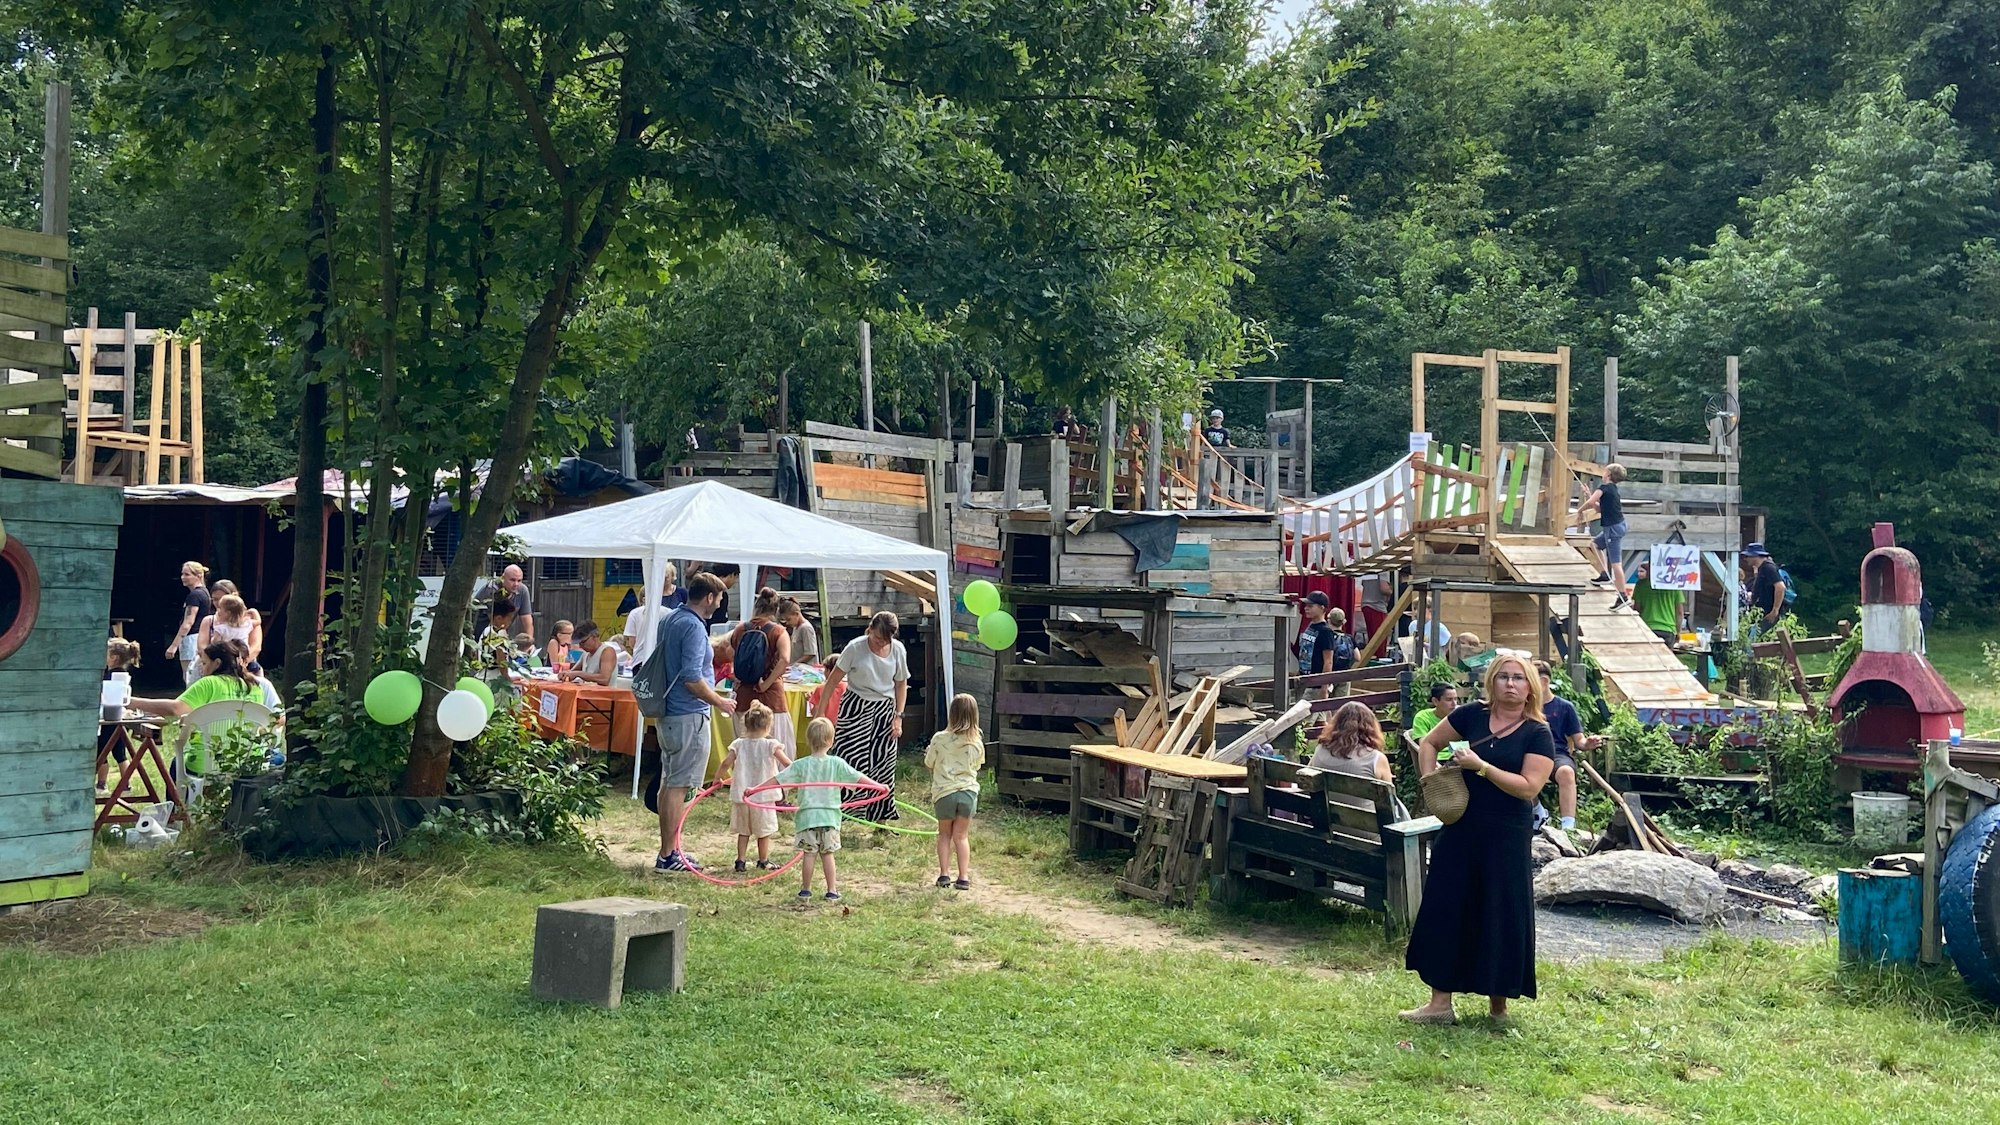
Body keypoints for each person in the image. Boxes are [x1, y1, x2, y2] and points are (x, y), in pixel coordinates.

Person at [1404, 652, 1555, 1024]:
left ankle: (1498, 1007)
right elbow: (1427, 743)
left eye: (1518, 678)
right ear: (1491, 681)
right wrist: (1431, 782)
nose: (1510, 684)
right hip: (1461, 825)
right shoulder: (1471, 715)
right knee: (1448, 904)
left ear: (1530, 687)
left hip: (1505, 833)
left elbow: (1528, 788)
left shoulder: (1537, 733)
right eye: (1503, 676)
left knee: (1500, 909)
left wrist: (1482, 768)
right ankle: (1439, 1003)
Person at [654, 572, 736, 873]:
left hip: (670, 712)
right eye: (719, 597)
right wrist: (720, 701)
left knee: (669, 782)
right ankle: (668, 855)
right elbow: (691, 677)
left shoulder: (672, 618)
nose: (719, 603)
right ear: (710, 597)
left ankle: (671, 849)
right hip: (687, 712)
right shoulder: (691, 626)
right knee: (679, 785)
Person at [817, 611, 910, 824]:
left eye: (884, 640)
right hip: (856, 706)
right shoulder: (855, 647)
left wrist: (898, 717)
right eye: (876, 637)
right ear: (870, 629)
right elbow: (832, 681)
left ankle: (881, 820)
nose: (878, 643)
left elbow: (901, 683)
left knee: (884, 764)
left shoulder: (898, 650)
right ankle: (843, 814)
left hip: (884, 709)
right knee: (849, 761)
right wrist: (821, 713)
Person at [128, 639, 267, 778]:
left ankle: (177, 800)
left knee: (177, 763)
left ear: (217, 663)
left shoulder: (208, 683)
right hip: (247, 761)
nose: (201, 667)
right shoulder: (255, 687)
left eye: (205, 663)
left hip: (206, 762)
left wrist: (132, 702)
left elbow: (175, 709)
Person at [774, 716, 866, 902]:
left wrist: (755, 789)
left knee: (809, 855)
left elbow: (778, 780)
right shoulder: (836, 763)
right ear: (831, 741)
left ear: (808, 740)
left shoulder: (800, 765)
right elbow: (857, 778)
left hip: (807, 819)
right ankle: (832, 891)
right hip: (829, 818)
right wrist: (880, 786)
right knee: (827, 855)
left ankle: (805, 890)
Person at [719, 700, 793, 873]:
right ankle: (763, 860)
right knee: (763, 831)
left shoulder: (738, 744)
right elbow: (788, 764)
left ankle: (740, 861)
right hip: (763, 798)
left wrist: (718, 780)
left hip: (742, 796)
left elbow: (725, 763)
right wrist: (799, 774)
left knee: (743, 831)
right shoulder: (770, 745)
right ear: (768, 726)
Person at [925, 693, 986, 890]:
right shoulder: (976, 742)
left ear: (951, 714)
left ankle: (944, 875)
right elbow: (977, 766)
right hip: (968, 793)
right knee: (961, 836)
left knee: (944, 834)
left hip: (944, 793)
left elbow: (929, 763)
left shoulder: (939, 739)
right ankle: (963, 877)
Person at [1534, 659, 1602, 832]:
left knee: (1566, 772)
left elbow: (1579, 741)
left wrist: (1588, 743)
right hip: (1530, 752)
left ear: (1544, 682)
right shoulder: (1524, 706)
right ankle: (1537, 812)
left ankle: (1568, 827)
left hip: (1557, 753)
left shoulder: (1565, 707)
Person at [728, 588, 796, 754]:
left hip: (744, 696)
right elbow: (785, 659)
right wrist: (766, 684)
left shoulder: (740, 629)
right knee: (776, 751)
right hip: (771, 698)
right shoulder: (779, 631)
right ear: (775, 611)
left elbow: (731, 656)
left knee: (745, 751)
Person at [1573, 463, 1631, 609]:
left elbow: (1592, 502)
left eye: (1605, 471)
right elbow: (1599, 508)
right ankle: (1605, 574)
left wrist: (1580, 510)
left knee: (1616, 563)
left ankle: (1623, 596)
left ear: (1608, 475)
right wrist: (1588, 494)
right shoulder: (1612, 490)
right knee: (1595, 544)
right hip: (1616, 527)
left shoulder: (1604, 488)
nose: (1603, 473)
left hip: (1612, 529)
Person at [1307, 701, 1395, 784]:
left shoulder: (1320, 750)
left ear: (1336, 725)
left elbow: (1305, 777)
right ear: (1371, 727)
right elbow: (1389, 798)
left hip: (1322, 800)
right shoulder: (1376, 759)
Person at [167, 561, 213, 686]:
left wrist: (174, 645)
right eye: (182, 574)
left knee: (189, 677)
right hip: (201, 637)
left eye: (187, 574)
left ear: (198, 575)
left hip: (191, 638)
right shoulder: (205, 593)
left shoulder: (195, 595)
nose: (183, 577)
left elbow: (188, 622)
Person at [620, 565, 686, 650]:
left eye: (667, 576)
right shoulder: (652, 596)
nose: (664, 579)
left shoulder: (681, 593)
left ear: (672, 576)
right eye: (662, 576)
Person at [203, 580, 265, 662]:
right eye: (215, 599)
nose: (218, 603)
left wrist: (241, 662)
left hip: (245, 662)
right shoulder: (209, 620)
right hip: (219, 663)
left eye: (222, 599)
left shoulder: (247, 620)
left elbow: (256, 647)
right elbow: (203, 646)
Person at [1631, 558, 1687, 646]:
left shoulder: (1641, 584)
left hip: (1647, 627)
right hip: (1668, 629)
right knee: (1666, 658)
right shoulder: (1674, 586)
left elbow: (1637, 609)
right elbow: (1679, 612)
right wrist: (1678, 631)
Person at [479, 564, 535, 642]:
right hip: (482, 631)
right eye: (512, 580)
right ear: (503, 578)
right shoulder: (491, 590)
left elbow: (527, 619)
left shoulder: (522, 590)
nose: (516, 584)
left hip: (501, 632)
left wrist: (530, 642)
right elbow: (495, 622)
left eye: (519, 580)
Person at [197, 594, 258, 666]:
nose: (217, 611)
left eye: (220, 608)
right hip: (243, 655)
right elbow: (258, 621)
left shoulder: (221, 628)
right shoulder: (247, 624)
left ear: (228, 613)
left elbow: (215, 643)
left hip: (226, 656)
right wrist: (254, 612)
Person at [1295, 592, 1340, 688]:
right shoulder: (1310, 626)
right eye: (1306, 605)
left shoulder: (1326, 631)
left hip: (1316, 685)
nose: (1306, 608)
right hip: (1304, 679)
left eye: (1310, 606)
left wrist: (1324, 687)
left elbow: (1328, 661)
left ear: (1322, 608)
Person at [559, 621, 622, 686]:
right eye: (579, 643)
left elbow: (604, 679)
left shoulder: (607, 652)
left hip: (604, 695)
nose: (581, 646)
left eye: (583, 642)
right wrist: (565, 674)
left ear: (594, 636)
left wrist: (578, 674)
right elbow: (572, 672)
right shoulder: (586, 654)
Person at [1742, 543, 1786, 636]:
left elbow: (1780, 587)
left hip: (1769, 613)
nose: (1745, 559)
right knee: (1750, 635)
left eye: (1747, 556)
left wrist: (1775, 610)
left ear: (1755, 556)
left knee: (1751, 638)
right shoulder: (1762, 568)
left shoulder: (1768, 568)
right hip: (1762, 612)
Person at [779, 597, 820, 664]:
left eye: (789, 619)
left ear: (797, 614)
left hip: (807, 671)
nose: (788, 623)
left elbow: (810, 653)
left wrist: (794, 665)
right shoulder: (796, 628)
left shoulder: (806, 628)